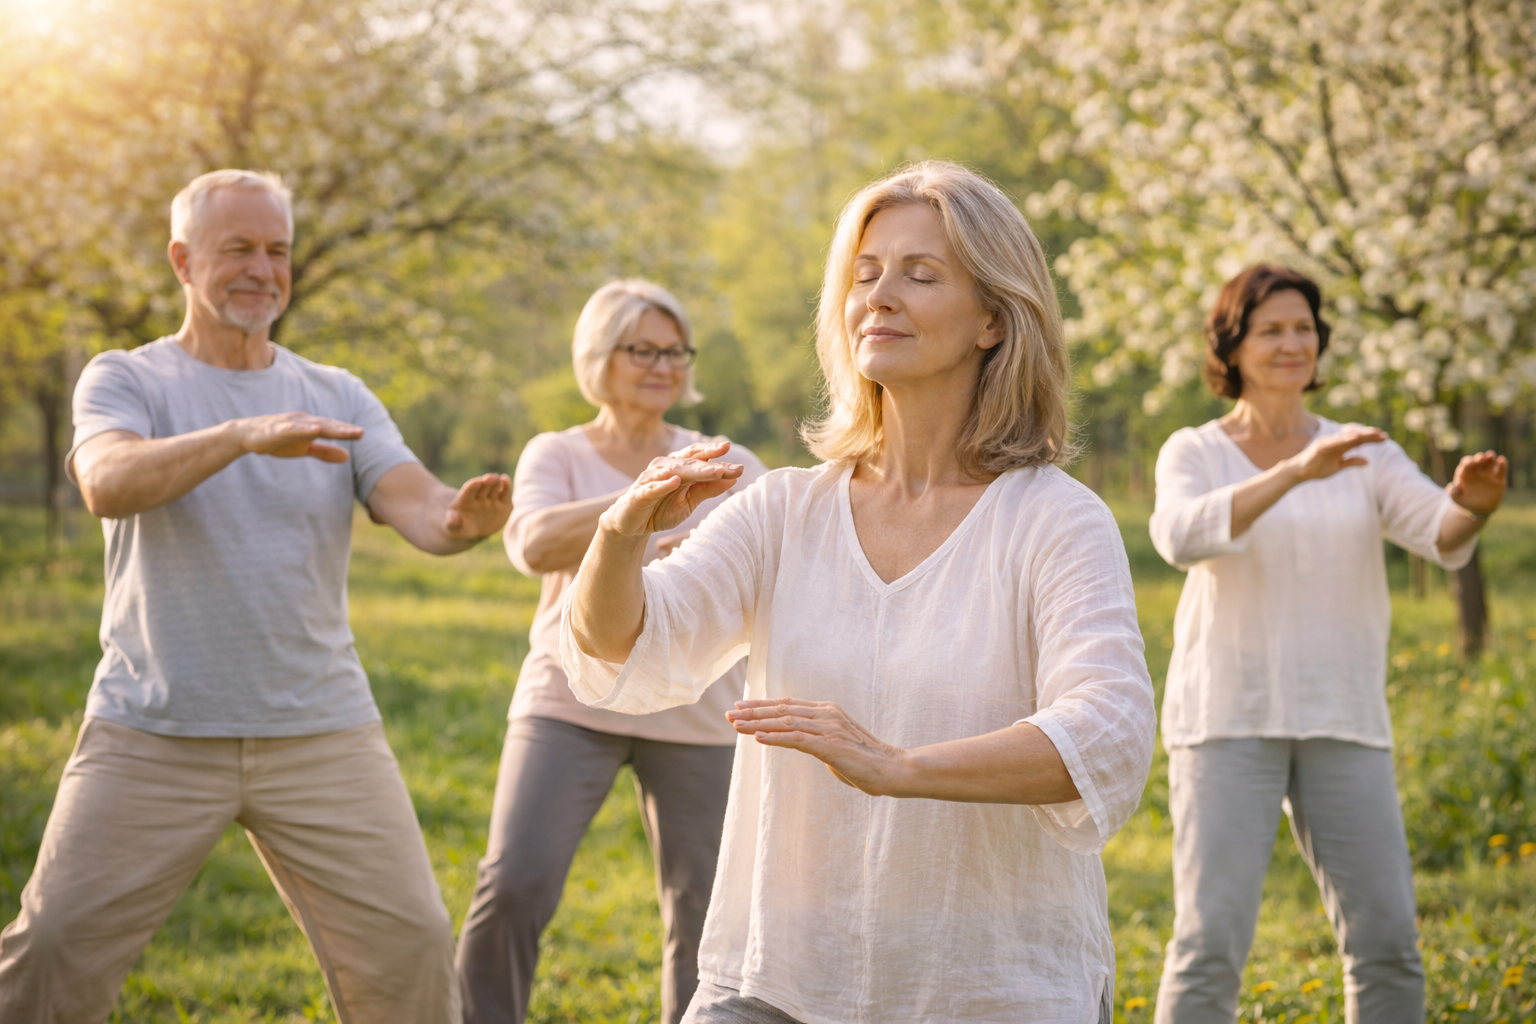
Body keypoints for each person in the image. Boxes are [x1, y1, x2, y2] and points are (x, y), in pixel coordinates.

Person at [560, 162, 1158, 1024]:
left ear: (994, 318)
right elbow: (628, 644)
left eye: (921, 275)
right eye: (865, 274)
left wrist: (898, 767)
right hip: (782, 977)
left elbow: (1108, 733)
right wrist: (621, 535)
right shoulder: (784, 510)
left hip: (994, 984)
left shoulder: (1055, 519)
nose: (880, 296)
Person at [0, 169, 513, 1024]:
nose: (261, 270)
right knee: (52, 953)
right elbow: (107, 481)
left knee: (415, 954)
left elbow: (415, 503)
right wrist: (242, 434)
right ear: (182, 260)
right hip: (154, 726)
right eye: (237, 248)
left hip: (321, 731)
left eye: (276, 251)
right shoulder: (126, 378)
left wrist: (462, 520)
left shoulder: (337, 393)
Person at [1148, 264, 1508, 1024]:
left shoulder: (1363, 451)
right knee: (1209, 944)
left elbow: (1438, 533)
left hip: (1342, 716)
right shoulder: (1195, 449)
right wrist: (1292, 473)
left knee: (1386, 943)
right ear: (1234, 345)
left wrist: (1471, 509)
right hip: (1227, 718)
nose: (1292, 343)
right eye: (1271, 329)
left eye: (1303, 328)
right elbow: (1179, 536)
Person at [455, 279, 768, 1024]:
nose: (663, 365)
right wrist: (648, 503)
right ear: (599, 355)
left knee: (707, 911)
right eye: (642, 349)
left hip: (695, 702)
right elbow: (531, 543)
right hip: (570, 695)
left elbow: (770, 551)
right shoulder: (556, 452)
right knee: (516, 881)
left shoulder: (725, 458)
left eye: (674, 350)